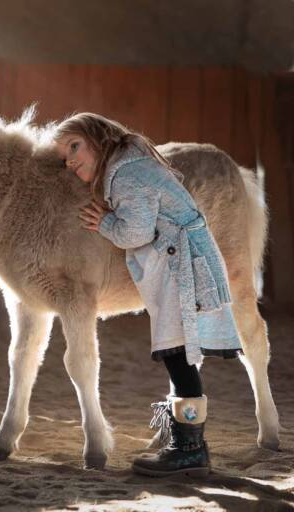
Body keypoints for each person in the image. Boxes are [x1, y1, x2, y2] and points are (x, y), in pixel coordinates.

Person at [53, 112, 243, 478]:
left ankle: (189, 448)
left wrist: (105, 223)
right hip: (183, 261)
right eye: (64, 157)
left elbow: (135, 232)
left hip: (182, 267)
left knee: (178, 357)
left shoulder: (127, 175)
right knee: (178, 356)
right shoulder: (128, 168)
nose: (70, 161)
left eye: (74, 147)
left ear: (99, 139)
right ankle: (186, 442)